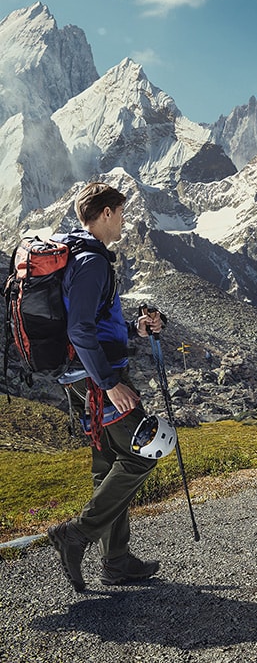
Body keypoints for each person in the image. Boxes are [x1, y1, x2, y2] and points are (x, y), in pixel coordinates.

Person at [47, 182, 166, 591]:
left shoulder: (77, 254)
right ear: (107, 213)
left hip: (83, 377)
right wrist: (111, 382)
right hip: (98, 380)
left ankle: (116, 562)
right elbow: (80, 328)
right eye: (121, 211)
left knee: (107, 466)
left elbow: (92, 323)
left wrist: (135, 327)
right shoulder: (92, 260)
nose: (124, 220)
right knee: (145, 452)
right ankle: (76, 536)